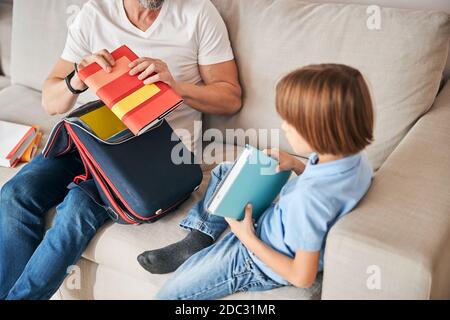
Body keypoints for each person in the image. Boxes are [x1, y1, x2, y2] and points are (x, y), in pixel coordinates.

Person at [0, 0, 241, 300]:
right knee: (15, 193)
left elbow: (230, 98)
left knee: (76, 208)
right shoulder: (94, 14)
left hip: (157, 154)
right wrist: (77, 79)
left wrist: (176, 86)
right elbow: (51, 102)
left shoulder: (198, 13)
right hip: (90, 144)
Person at [143, 64, 375, 300]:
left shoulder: (310, 201)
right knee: (227, 170)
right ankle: (199, 237)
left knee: (169, 296)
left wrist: (248, 239)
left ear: (318, 129)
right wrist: (296, 165)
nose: (284, 127)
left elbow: (302, 277)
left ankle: (204, 240)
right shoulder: (353, 158)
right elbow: (328, 194)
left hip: (254, 260)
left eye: (290, 122)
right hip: (276, 223)